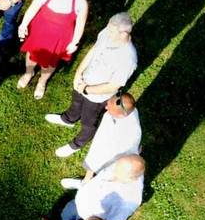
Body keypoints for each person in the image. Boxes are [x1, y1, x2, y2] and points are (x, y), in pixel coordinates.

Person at [45, 12, 137, 157]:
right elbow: (94, 50)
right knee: (75, 102)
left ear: (124, 33)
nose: (107, 31)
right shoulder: (107, 32)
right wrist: (78, 72)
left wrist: (87, 90)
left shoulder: (128, 58)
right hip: (83, 81)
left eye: (111, 30)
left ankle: (76, 144)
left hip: (97, 97)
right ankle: (69, 119)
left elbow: (114, 86)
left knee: (89, 123)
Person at [16, 0, 89, 99]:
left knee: (50, 63)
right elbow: (33, 8)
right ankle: (28, 73)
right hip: (39, 32)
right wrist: (24, 24)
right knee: (32, 55)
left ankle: (42, 82)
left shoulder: (80, 3)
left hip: (60, 40)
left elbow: (80, 24)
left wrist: (75, 42)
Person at [61, 92, 141, 188]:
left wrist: (90, 171)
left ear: (121, 116)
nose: (106, 107)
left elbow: (98, 153)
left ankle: (86, 184)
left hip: (116, 161)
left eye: (109, 107)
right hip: (120, 154)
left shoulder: (119, 136)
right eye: (108, 103)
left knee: (104, 175)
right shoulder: (130, 111)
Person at [60, 153, 145, 220]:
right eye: (117, 165)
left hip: (89, 219)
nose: (114, 170)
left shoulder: (131, 198)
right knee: (65, 216)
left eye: (119, 171)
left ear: (130, 178)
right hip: (78, 203)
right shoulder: (120, 169)